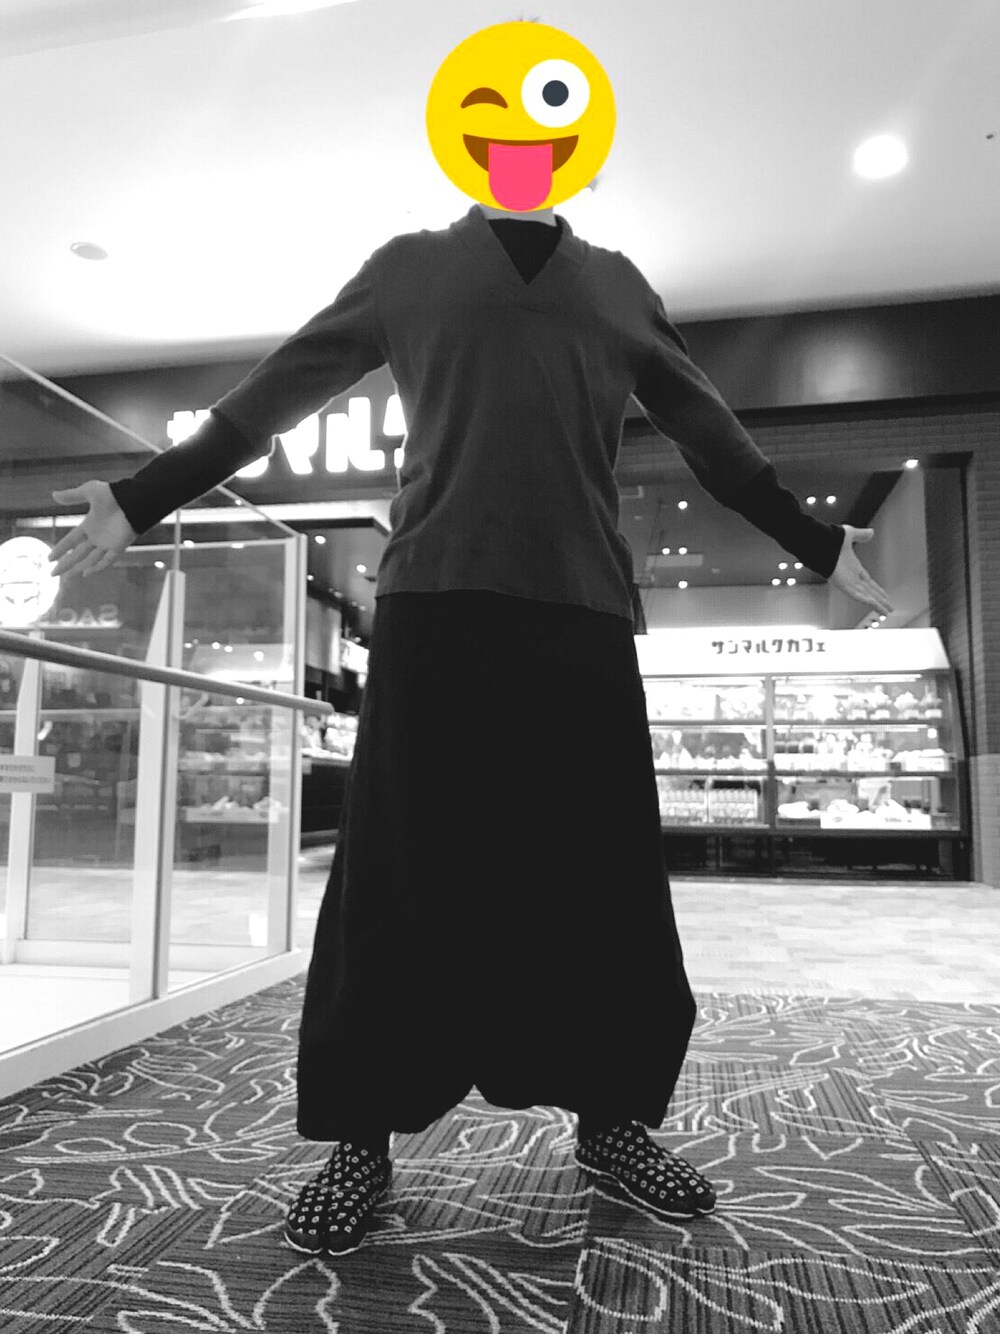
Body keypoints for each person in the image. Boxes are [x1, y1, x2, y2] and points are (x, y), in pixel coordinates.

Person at [47, 197, 893, 1258]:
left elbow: (714, 441)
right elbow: (275, 395)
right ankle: (359, 1137)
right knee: (395, 876)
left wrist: (815, 544)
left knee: (603, 875)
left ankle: (612, 1120)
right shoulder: (407, 268)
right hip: (433, 607)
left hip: (580, 613)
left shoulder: (618, 286)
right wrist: (141, 496)